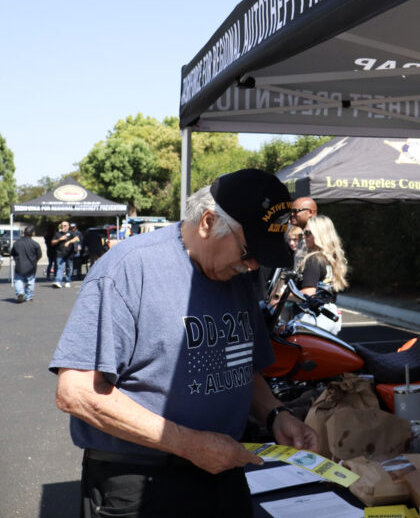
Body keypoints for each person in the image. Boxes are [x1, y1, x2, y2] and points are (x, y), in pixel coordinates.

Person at [49, 169, 318, 518]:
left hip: (223, 470)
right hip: (141, 480)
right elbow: (76, 393)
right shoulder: (130, 268)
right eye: (249, 251)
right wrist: (189, 445)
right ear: (208, 222)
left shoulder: (234, 274)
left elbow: (238, 365)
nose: (253, 266)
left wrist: (275, 413)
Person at [295, 215, 349, 297]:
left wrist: (281, 296)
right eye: (303, 232)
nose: (303, 236)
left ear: (319, 235)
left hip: (307, 309)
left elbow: (308, 293)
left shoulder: (313, 259)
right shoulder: (331, 259)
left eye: (307, 233)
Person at [12, 225, 43, 303]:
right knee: (30, 282)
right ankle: (29, 297)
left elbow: (12, 253)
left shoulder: (17, 243)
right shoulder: (35, 244)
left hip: (19, 266)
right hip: (31, 266)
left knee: (18, 280)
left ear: (24, 233)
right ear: (33, 233)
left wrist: (16, 260)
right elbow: (39, 255)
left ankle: (20, 293)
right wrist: (35, 261)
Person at [51, 220, 78, 288]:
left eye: (65, 225)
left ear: (68, 226)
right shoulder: (57, 234)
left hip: (69, 254)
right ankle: (58, 281)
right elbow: (52, 242)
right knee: (60, 268)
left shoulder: (71, 233)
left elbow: (77, 238)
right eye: (62, 226)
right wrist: (60, 239)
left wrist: (69, 242)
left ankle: (67, 281)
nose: (63, 227)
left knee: (68, 268)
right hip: (59, 253)